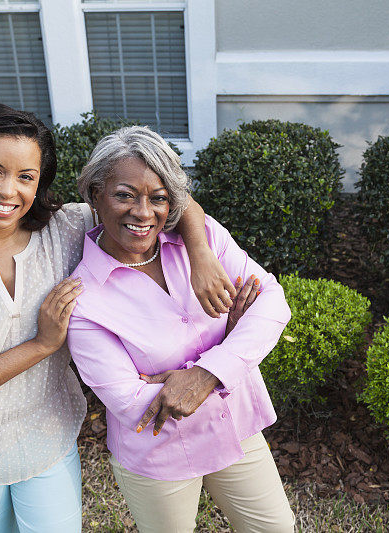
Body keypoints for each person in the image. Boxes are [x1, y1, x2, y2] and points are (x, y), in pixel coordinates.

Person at [0, 104, 236, 532]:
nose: (8, 190)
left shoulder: (63, 229)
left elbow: (166, 196)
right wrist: (41, 345)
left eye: (26, 177)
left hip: (47, 439)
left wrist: (199, 254)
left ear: (39, 183)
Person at [68, 126, 296, 533]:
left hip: (236, 427)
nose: (143, 212)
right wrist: (231, 343)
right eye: (125, 195)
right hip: (159, 453)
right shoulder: (83, 300)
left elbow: (272, 304)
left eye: (158, 198)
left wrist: (207, 374)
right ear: (95, 194)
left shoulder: (203, 240)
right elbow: (130, 399)